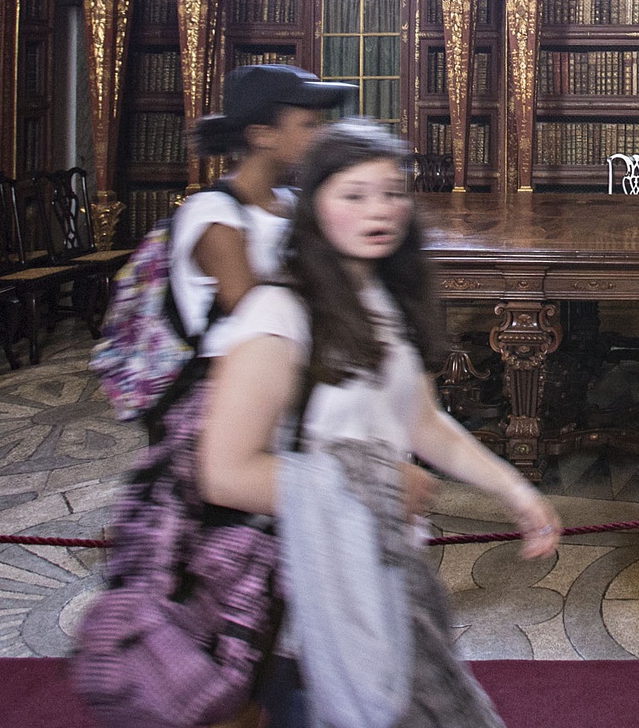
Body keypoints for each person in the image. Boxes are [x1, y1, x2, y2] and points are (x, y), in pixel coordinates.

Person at [197, 119, 562, 728]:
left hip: (380, 561)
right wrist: (370, 482)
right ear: (314, 207)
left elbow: (422, 424)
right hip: (308, 583)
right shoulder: (279, 312)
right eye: (354, 195)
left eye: (392, 193)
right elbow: (224, 472)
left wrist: (513, 490)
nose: (381, 210)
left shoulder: (383, 300)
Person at [170, 64, 352, 360]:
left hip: (291, 363)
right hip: (232, 379)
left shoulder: (290, 202)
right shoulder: (213, 215)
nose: (322, 134)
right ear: (262, 135)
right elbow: (257, 315)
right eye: (309, 125)